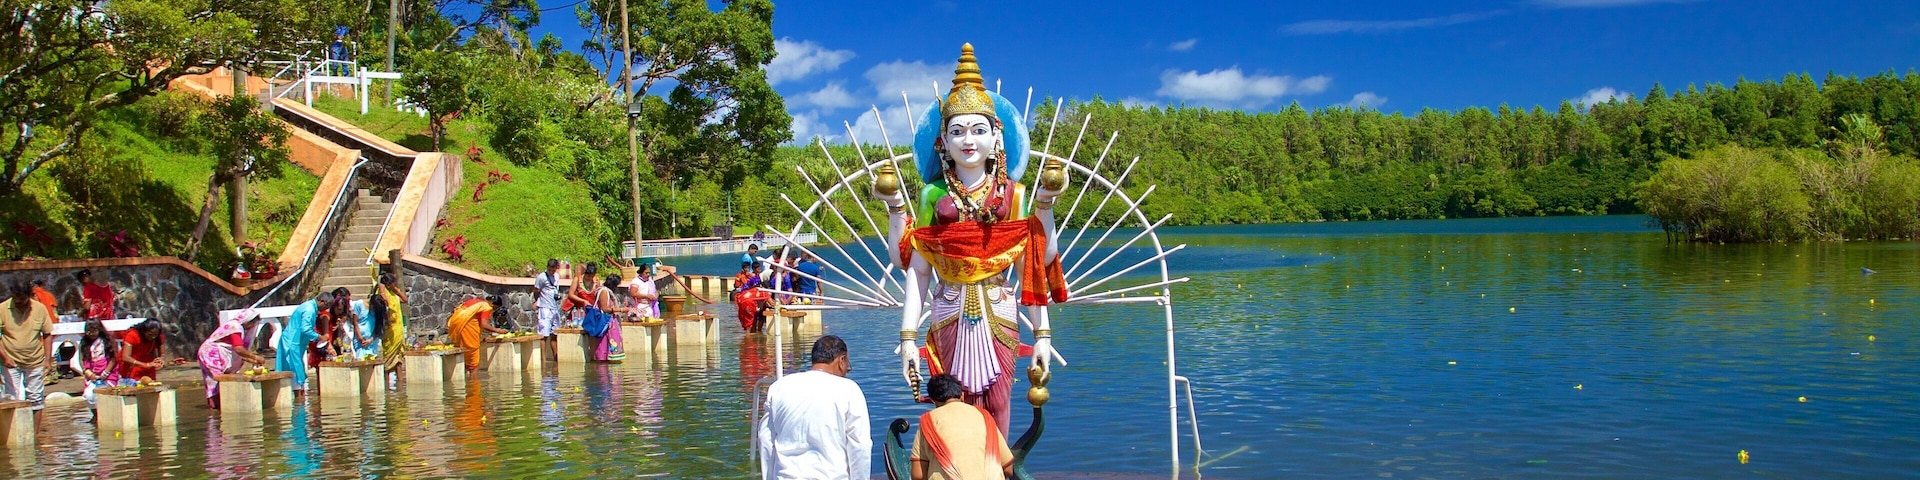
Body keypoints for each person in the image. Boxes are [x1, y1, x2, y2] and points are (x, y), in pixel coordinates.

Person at [877, 45, 1071, 435]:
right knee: (954, 401)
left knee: (999, 400)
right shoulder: (933, 196)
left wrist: (1043, 335)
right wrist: (908, 338)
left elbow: (1033, 262)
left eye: (979, 130)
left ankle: (996, 468)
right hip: (948, 308)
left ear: (997, 137)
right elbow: (916, 270)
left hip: (999, 310)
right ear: (942, 142)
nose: (969, 141)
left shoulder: (1013, 195)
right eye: (957, 131)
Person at [757, 335, 870, 480]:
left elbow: (765, 440)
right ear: (842, 360)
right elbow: (860, 447)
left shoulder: (779, 387)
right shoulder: (849, 390)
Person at [911, 374, 1014, 480]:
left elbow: (918, 475)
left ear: (933, 401)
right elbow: (1008, 469)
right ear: (962, 396)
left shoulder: (928, 421)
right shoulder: (984, 416)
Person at [1, 283, 55, 428]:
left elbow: (47, 334)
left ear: (29, 296)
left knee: (36, 398)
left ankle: (34, 435)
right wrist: (5, 357)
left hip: (35, 360)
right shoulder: (2, 309)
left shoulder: (39, 309)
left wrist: (47, 360)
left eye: (22, 300)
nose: (19, 303)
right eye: (16, 299)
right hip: (10, 361)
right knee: (11, 398)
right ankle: (13, 433)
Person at [199, 309, 267, 408]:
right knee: (216, 382)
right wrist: (255, 356)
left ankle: (216, 409)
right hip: (210, 354)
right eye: (253, 324)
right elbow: (238, 349)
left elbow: (233, 349)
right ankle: (215, 409)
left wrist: (252, 360)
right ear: (249, 321)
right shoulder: (235, 327)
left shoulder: (235, 326)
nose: (252, 327)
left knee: (214, 383)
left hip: (210, 353)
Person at [275, 292, 330, 395]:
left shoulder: (310, 307)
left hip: (296, 343)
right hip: (292, 344)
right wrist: (319, 337)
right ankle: (299, 403)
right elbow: (306, 329)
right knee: (295, 373)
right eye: (327, 306)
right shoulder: (309, 309)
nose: (325, 309)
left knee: (296, 372)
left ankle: (298, 400)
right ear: (322, 301)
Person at [71, 319, 119, 422]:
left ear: (99, 329)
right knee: (89, 395)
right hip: (91, 374)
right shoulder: (84, 342)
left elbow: (113, 358)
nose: (91, 334)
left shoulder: (108, 340)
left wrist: (106, 372)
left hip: (108, 373)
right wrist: (86, 371)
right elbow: (81, 358)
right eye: (88, 331)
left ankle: (107, 415)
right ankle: (96, 415)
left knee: (106, 394)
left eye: (94, 330)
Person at [446, 295, 509, 372]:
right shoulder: (487, 307)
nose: (493, 310)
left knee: (464, 348)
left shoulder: (476, 302)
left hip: (457, 323)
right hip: (467, 326)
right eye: (495, 308)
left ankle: (468, 373)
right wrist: (498, 330)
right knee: (473, 352)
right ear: (493, 304)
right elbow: (484, 324)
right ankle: (474, 380)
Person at [584, 275, 628, 362]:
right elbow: (604, 308)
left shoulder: (603, 290)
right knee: (604, 344)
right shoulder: (604, 291)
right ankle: (602, 364)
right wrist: (621, 309)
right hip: (606, 322)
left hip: (609, 322)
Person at [374, 273, 408, 384]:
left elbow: (405, 299)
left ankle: (400, 382)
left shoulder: (394, 293)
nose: (394, 284)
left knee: (398, 358)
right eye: (392, 283)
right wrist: (382, 288)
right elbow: (384, 301)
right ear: (388, 283)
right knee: (389, 356)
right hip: (389, 329)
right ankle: (387, 382)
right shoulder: (382, 293)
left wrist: (395, 289)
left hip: (398, 329)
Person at [533, 258, 562, 361]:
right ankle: (543, 359)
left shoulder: (557, 276)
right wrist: (537, 301)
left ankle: (555, 357)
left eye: (553, 270)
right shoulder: (541, 277)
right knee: (544, 334)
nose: (551, 272)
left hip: (554, 308)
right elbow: (536, 290)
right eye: (549, 270)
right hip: (545, 308)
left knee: (555, 333)